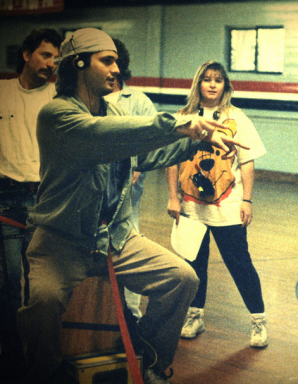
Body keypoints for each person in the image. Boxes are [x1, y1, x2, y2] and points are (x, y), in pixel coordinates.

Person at [16, 28, 246, 384]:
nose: (116, 69)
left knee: (182, 279)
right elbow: (104, 138)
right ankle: (45, 374)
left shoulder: (117, 111)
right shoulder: (57, 115)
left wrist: (198, 140)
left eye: (117, 62)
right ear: (78, 63)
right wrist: (183, 123)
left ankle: (151, 360)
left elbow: (147, 153)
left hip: (116, 238)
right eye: (106, 61)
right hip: (60, 242)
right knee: (42, 305)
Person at [165, 61, 268, 347]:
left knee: (240, 264)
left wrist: (247, 200)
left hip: (228, 206)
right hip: (190, 206)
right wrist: (173, 196)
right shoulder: (183, 117)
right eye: (207, 79)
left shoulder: (237, 118)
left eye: (218, 80)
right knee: (193, 265)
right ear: (198, 84)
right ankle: (195, 316)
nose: (212, 84)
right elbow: (172, 160)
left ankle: (258, 320)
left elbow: (247, 163)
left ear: (226, 85)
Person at [0, 28, 62, 378]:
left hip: (45, 198)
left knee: (40, 285)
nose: (51, 64)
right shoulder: (2, 92)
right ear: (26, 55)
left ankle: (41, 359)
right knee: (9, 285)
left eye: (56, 58)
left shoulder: (58, 97)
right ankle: (12, 359)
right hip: (6, 198)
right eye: (45, 55)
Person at [104, 38, 159, 319]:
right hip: (93, 198)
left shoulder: (137, 101)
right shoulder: (85, 101)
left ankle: (132, 315)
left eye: (113, 62)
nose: (110, 69)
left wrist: (136, 165)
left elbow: (152, 141)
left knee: (129, 250)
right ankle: (101, 317)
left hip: (127, 200)